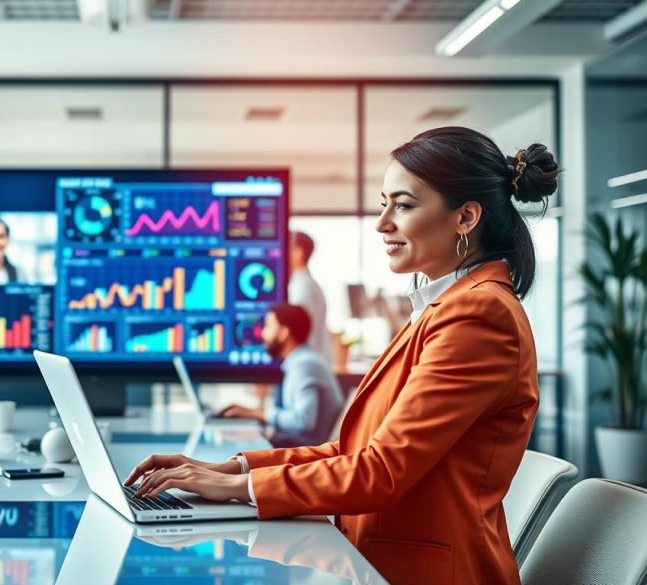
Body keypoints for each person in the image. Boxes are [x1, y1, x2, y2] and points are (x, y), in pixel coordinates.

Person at [125, 126, 558, 585]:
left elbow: (380, 471)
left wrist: (237, 488)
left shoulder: (478, 314)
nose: (382, 223)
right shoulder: (446, 307)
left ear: (466, 217)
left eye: (403, 205)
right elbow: (357, 451)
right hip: (380, 562)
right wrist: (230, 469)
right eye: (384, 203)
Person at [216, 304, 343, 447]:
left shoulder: (304, 365)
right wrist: (252, 414)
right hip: (299, 445)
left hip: (308, 452)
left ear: (284, 332)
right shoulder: (300, 361)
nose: (263, 334)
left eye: (268, 326)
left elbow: (303, 421)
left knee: (235, 448)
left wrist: (257, 414)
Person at [287, 232, 334, 364]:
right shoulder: (305, 283)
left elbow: (300, 334)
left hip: (307, 361)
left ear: (298, 252)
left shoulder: (301, 286)